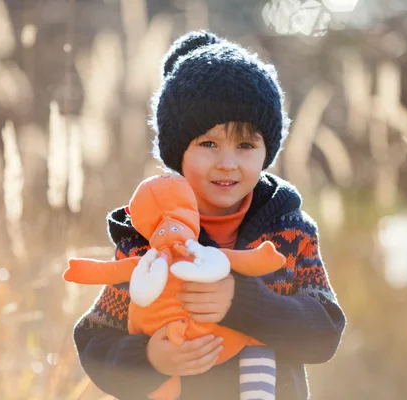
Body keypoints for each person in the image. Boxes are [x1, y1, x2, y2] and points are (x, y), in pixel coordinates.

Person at [72, 30, 346, 400]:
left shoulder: (289, 231)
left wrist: (240, 301)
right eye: (208, 143)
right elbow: (95, 338)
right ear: (176, 151)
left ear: (267, 151)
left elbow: (323, 334)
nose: (227, 163)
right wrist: (150, 357)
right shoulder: (151, 237)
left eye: (246, 144)